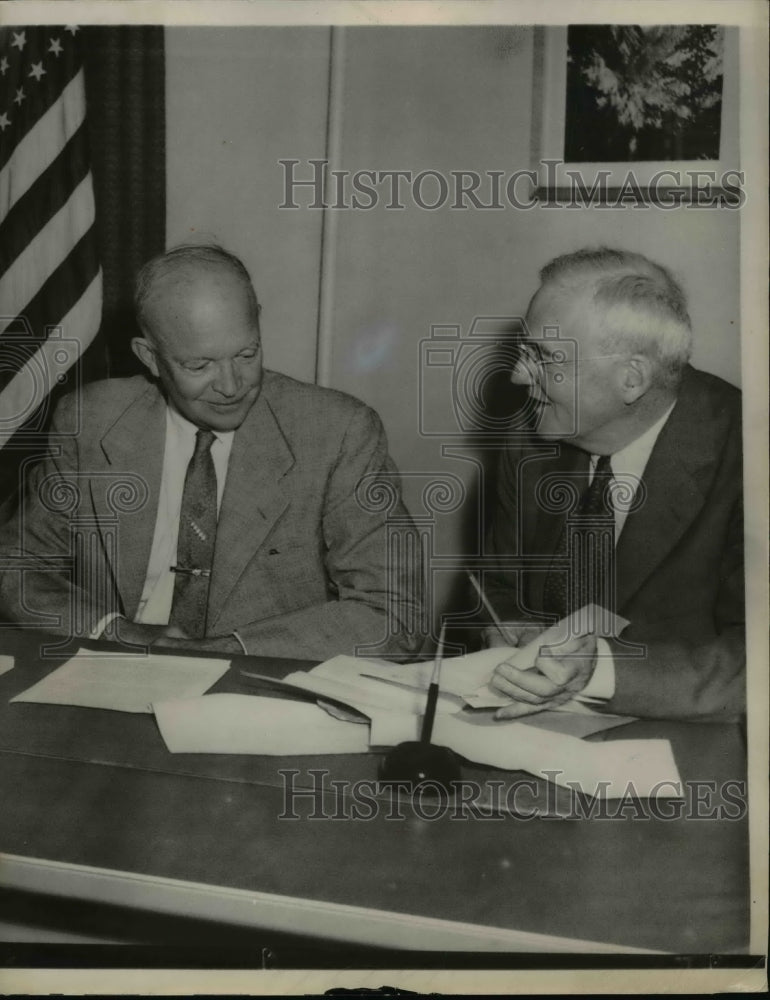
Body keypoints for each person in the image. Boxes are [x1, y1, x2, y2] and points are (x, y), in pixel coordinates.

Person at [0, 244, 423, 659]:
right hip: (115, 671)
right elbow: (16, 565)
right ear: (149, 357)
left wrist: (221, 652)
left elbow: (393, 614)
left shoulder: (338, 432)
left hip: (262, 682)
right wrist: (116, 632)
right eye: (199, 366)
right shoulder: (92, 420)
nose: (231, 385)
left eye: (246, 354)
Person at [481, 248, 744, 721]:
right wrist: (509, 627)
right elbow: (498, 583)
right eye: (524, 351)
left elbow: (755, 661)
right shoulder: (531, 440)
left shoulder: (748, 454)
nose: (518, 375)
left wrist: (601, 672)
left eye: (544, 357)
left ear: (631, 378)